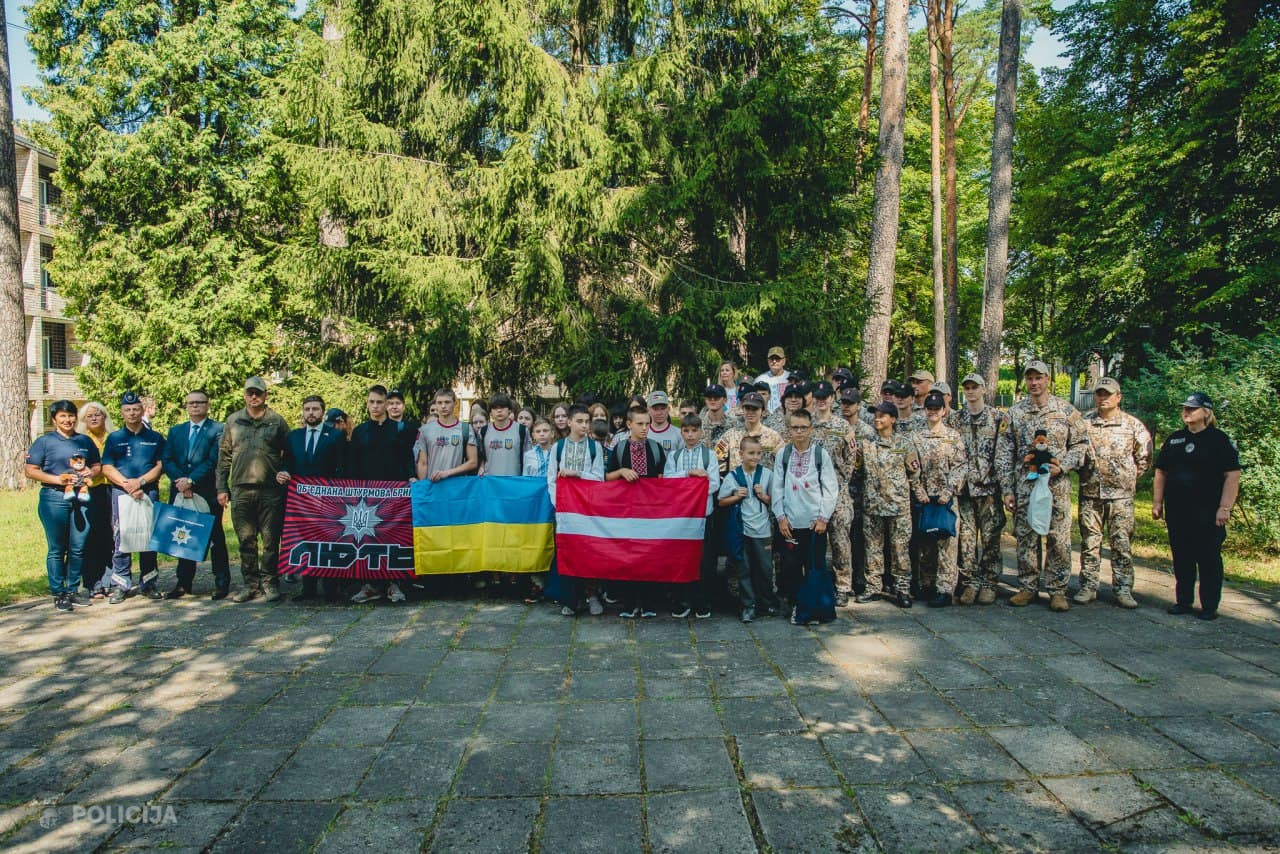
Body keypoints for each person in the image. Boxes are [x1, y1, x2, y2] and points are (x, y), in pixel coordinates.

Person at [994, 360, 1090, 612]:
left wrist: (1066, 465)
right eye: (1030, 378)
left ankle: (1057, 589)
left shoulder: (1066, 411)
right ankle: (1028, 586)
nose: (1034, 383)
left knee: (1058, 537)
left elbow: (1081, 443)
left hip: (1055, 485)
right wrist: (1007, 489)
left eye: (1039, 378)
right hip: (1025, 486)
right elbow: (1004, 452)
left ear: (1048, 380)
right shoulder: (1014, 413)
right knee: (1026, 536)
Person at [1153, 391, 1240, 621]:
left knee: (1208, 558)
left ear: (1206, 412)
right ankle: (1183, 600)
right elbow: (1161, 472)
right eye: (1185, 408)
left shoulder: (1218, 440)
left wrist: (1225, 507)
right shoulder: (1175, 440)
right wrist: (1157, 502)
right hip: (1178, 512)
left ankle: (1209, 605)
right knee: (1182, 557)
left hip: (1207, 512)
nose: (1186, 412)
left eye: (1192, 409)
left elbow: (1232, 475)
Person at [1075, 378, 1152, 608]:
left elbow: (1144, 457)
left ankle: (1123, 588)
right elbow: (1074, 449)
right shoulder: (1084, 422)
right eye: (1100, 393)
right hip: (1091, 493)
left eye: (1108, 394)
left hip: (1121, 497)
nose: (1103, 398)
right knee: (1090, 543)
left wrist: (1127, 479)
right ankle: (1088, 586)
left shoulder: (1132, 425)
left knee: (1121, 544)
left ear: (1118, 397)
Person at [216, 376, 290, 603]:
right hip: (240, 489)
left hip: (270, 490)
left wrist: (285, 471)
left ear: (266, 395)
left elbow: (290, 453)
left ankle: (270, 582)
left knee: (270, 539)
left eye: (258, 393)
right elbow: (224, 457)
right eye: (250, 393)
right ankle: (251, 584)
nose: (254, 397)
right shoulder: (233, 421)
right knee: (246, 539)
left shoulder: (277, 421)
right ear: (245, 395)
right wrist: (222, 487)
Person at [26, 400, 101, 612]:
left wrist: (91, 473)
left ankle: (72, 590)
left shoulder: (84, 440)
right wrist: (57, 480)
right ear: (54, 419)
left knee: (77, 547)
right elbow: (30, 470)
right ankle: (58, 592)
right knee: (57, 548)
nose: (67, 420)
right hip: (54, 498)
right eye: (62, 416)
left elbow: (96, 465)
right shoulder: (45, 442)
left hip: (82, 498)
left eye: (70, 416)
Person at [161, 388, 231, 600]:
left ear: (208, 405)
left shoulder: (218, 429)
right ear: (186, 406)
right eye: (191, 403)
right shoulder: (176, 431)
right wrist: (181, 481)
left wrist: (191, 480)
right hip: (180, 491)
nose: (195, 406)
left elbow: (213, 460)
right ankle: (184, 583)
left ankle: (221, 583)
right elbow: (167, 459)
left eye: (199, 402)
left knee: (215, 537)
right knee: (183, 535)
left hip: (207, 491)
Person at [772, 409, 838, 624]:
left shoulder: (820, 455)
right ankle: (797, 606)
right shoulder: (784, 454)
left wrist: (823, 518)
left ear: (811, 429)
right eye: (794, 427)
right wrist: (781, 517)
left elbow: (830, 489)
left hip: (814, 523)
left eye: (803, 427)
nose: (799, 431)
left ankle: (814, 611)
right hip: (790, 523)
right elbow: (777, 488)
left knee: (814, 567)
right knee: (791, 567)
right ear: (789, 429)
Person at [100, 391, 167, 603]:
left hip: (148, 490)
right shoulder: (115, 438)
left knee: (148, 538)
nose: (132, 413)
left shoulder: (155, 438)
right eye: (127, 410)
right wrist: (128, 485)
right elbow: (107, 467)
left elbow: (161, 465)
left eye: (136, 409)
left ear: (142, 411)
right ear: (122, 412)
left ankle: (149, 583)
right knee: (122, 539)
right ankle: (121, 584)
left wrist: (141, 482)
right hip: (122, 492)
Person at [279, 395, 347, 602]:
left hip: (328, 499)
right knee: (305, 540)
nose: (311, 413)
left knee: (327, 541)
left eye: (315, 409)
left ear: (322, 412)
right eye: (307, 409)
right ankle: (307, 587)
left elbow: (341, 467)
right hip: (301, 501)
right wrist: (282, 473)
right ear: (303, 412)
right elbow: (287, 464)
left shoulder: (335, 436)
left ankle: (330, 589)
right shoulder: (294, 437)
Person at [855, 402, 921, 608]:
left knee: (900, 549)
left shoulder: (904, 443)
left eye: (883, 416)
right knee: (873, 549)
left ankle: (902, 589)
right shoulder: (865, 444)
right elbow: (857, 470)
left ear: (893, 419)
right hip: (872, 506)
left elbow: (914, 472)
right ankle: (873, 586)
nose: (877, 419)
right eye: (876, 415)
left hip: (898, 506)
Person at [607, 406, 667, 618]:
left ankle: (649, 603)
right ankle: (629, 602)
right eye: (640, 424)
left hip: (650, 512)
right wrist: (621, 471)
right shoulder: (620, 448)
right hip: (626, 512)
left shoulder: (656, 448)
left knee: (649, 555)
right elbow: (606, 477)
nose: (644, 428)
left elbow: (663, 478)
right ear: (629, 424)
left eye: (647, 424)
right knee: (628, 556)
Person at [910, 391, 968, 607]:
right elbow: (911, 466)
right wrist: (918, 489)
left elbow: (961, 466)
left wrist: (949, 490)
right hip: (924, 499)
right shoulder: (916, 436)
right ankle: (926, 585)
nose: (933, 412)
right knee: (925, 545)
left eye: (937, 408)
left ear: (944, 411)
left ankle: (944, 589)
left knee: (947, 544)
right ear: (924, 410)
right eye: (929, 408)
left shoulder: (953, 437)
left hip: (946, 500)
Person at [953, 373, 1006, 606]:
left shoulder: (997, 418)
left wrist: (1004, 485)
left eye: (975, 387)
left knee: (990, 538)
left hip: (989, 490)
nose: (971, 392)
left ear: (984, 389)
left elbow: (1003, 453)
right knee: (966, 540)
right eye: (967, 388)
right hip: (965, 490)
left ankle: (989, 583)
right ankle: (970, 582)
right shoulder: (956, 419)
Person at [547, 405, 606, 615]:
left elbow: (599, 477)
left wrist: (578, 474)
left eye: (586, 422)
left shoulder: (594, 448)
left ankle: (592, 595)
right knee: (568, 552)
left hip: (588, 510)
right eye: (579, 421)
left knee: (590, 552)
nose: (584, 425)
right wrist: (559, 504)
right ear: (569, 422)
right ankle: (570, 599)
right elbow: (552, 478)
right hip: (564, 512)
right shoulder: (558, 447)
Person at [810, 381, 863, 606]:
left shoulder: (842, 427)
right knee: (814, 543)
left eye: (826, 396)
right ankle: (818, 584)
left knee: (840, 541)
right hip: (812, 493)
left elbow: (853, 459)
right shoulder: (806, 424)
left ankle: (843, 586)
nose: (821, 401)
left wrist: (841, 482)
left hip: (838, 493)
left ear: (833, 398)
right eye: (818, 396)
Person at [664, 413, 720, 618]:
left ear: (701, 432)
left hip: (704, 514)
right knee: (682, 560)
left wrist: (696, 489)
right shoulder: (674, 456)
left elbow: (713, 483)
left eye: (694, 431)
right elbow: (670, 481)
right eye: (686, 431)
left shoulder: (709, 455)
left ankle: (702, 601)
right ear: (681, 432)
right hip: (681, 517)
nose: (690, 435)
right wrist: (688, 476)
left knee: (704, 561)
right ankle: (682, 600)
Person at [718, 435, 779, 622]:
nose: (755, 457)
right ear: (741, 454)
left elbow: (775, 502)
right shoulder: (733, 476)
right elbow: (721, 501)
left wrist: (764, 497)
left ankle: (766, 602)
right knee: (743, 570)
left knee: (765, 569)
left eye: (758, 453)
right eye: (751, 453)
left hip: (762, 531)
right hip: (741, 530)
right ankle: (748, 606)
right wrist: (736, 497)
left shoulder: (767, 474)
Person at [76, 401, 114, 597]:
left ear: (104, 417)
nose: (93, 418)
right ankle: (92, 581)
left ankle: (110, 579)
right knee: (90, 536)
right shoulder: (80, 440)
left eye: (97, 414)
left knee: (110, 534)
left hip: (112, 489)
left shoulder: (113, 437)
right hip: (90, 491)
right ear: (83, 420)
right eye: (89, 415)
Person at [838, 387, 870, 597]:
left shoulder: (867, 432)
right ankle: (842, 580)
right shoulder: (837, 427)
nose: (846, 406)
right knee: (841, 539)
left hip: (860, 491)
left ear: (859, 405)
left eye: (850, 403)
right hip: (841, 490)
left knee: (859, 538)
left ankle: (860, 579)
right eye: (843, 402)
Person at [716, 392, 783, 473]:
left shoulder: (774, 437)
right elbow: (717, 459)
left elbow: (782, 462)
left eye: (755, 409)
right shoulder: (729, 436)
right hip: (737, 483)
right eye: (747, 408)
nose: (750, 412)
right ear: (742, 409)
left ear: (762, 411)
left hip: (764, 484)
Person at [479, 393, 531, 477]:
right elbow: (481, 457)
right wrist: (481, 467)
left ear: (509, 410)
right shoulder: (483, 431)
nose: (499, 411)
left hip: (514, 481)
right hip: (490, 482)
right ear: (490, 412)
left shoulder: (522, 430)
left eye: (502, 407)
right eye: (495, 408)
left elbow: (529, 458)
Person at [754, 346, 792, 412]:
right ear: (768, 361)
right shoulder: (759, 380)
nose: (774, 361)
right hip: (765, 418)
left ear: (784, 361)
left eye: (777, 359)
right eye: (771, 359)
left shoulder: (791, 378)